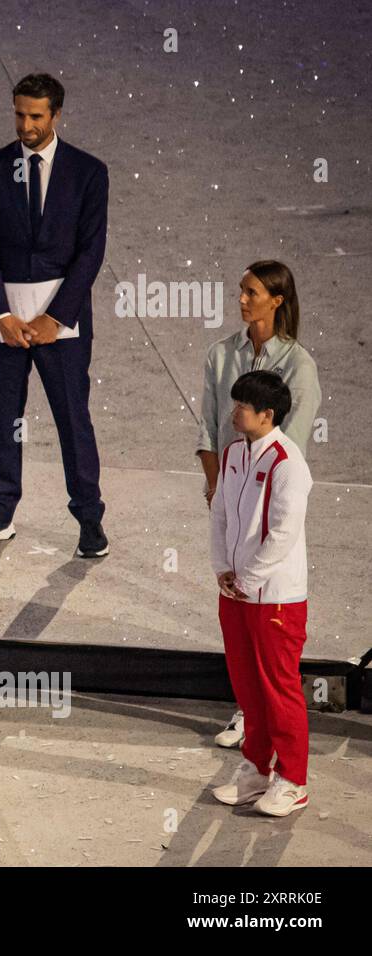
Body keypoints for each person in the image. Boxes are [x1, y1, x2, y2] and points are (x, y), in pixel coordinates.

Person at [0, 73, 110, 558]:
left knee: (73, 420)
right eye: (19, 114)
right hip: (6, 323)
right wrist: (1, 315)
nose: (25, 125)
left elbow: (90, 252)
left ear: (56, 115)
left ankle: (89, 520)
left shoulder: (89, 172)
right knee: (3, 418)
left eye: (35, 116)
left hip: (61, 325)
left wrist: (57, 318)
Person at [196, 261, 320, 750]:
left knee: (267, 613)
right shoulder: (220, 353)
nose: (242, 300)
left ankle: (276, 743)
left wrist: (252, 495)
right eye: (240, 291)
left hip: (269, 499)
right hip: (231, 490)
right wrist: (218, 488)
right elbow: (209, 425)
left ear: (277, 300)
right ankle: (249, 713)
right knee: (237, 612)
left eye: (251, 292)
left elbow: (292, 448)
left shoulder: (300, 366)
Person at [208, 371, 313, 817]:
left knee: (278, 689)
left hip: (275, 598)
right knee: (248, 690)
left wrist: (248, 579)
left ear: (267, 415)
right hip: (236, 593)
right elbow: (219, 513)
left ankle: (293, 781)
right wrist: (222, 568)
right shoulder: (234, 453)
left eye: (242, 408)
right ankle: (255, 771)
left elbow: (284, 533)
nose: (234, 413)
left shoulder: (289, 464)